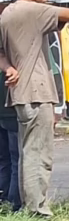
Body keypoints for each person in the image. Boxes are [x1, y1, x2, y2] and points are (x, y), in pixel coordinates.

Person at [0, 0, 69, 217]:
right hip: (36, 92)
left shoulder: (7, 13)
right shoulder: (32, 10)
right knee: (39, 154)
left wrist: (9, 69)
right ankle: (37, 209)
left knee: (27, 152)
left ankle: (29, 205)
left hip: (21, 92)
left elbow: (1, 53)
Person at [0, 75, 18, 211]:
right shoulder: (14, 54)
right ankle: (14, 202)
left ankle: (4, 198)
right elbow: (55, 74)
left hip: (7, 111)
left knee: (5, 160)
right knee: (16, 160)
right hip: (13, 112)